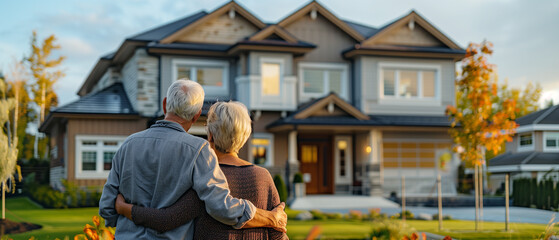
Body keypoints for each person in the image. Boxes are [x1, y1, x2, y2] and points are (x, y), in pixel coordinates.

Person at [99, 80, 286, 239]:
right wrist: (270, 218)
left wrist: (125, 216)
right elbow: (221, 206)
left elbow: (107, 206)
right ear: (197, 115)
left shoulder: (128, 144)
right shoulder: (198, 150)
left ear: (165, 105)